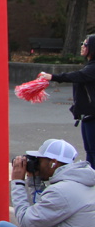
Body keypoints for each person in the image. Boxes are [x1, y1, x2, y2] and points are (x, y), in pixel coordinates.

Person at [38, 34, 95, 166]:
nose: (82, 46)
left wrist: (53, 77)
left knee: (93, 152)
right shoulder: (90, 66)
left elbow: (77, 76)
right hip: (88, 116)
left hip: (93, 117)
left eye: (85, 44)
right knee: (90, 151)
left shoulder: (93, 68)